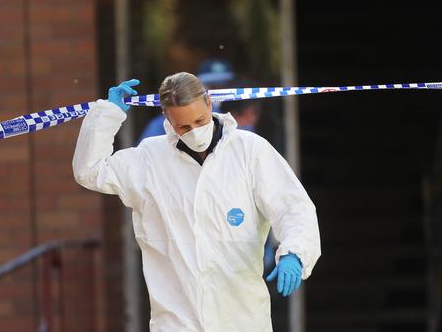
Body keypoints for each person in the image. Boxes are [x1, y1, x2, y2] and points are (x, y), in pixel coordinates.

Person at [72, 73, 321, 331]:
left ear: (209, 103)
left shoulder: (250, 151)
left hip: (242, 319)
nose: (194, 131)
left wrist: (295, 251)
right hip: (177, 322)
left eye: (200, 120)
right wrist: (107, 115)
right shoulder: (149, 160)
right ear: (167, 120)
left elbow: (293, 208)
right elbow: (89, 171)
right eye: (183, 127)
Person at [137, 58, 235, 142]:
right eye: (212, 86)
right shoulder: (161, 124)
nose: (218, 90)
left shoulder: (241, 118)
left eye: (224, 85)